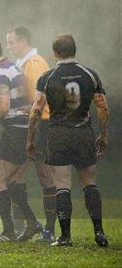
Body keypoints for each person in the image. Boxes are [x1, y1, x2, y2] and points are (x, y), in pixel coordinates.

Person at [26, 34, 109, 247]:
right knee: (89, 183)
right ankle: (99, 232)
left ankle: (65, 237)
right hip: (83, 132)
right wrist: (103, 135)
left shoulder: (47, 77)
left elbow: (36, 110)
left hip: (59, 134)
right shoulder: (90, 74)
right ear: (74, 51)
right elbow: (102, 108)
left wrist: (30, 139)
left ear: (55, 53)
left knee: (62, 185)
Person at [0, 36, 42, 242]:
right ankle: (32, 223)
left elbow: (3, 107)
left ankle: (7, 232)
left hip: (15, 130)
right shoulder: (13, 68)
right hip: (27, 128)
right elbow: (22, 102)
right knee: (13, 181)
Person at [6, 26, 57, 243]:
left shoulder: (35, 63)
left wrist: (26, 111)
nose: (9, 46)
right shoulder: (22, 64)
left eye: (11, 42)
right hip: (28, 126)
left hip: (41, 125)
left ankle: (49, 229)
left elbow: (40, 99)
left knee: (45, 176)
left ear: (23, 42)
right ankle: (29, 224)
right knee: (15, 175)